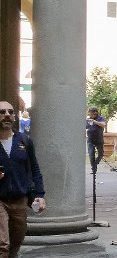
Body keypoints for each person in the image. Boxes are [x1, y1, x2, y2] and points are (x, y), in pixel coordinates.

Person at [0, 100, 45, 256]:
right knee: (2, 244)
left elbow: (35, 169)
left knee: (16, 242)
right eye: (2, 112)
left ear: (15, 116)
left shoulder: (24, 140)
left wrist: (39, 194)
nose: (7, 115)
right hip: (0, 199)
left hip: (20, 200)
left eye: (10, 112)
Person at [86, 106, 106, 173]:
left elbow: (103, 124)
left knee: (101, 154)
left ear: (95, 113)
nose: (89, 114)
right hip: (90, 139)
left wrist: (94, 121)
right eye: (89, 113)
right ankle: (94, 169)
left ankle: (95, 164)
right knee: (91, 155)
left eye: (90, 113)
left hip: (99, 139)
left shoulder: (100, 118)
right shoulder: (88, 120)